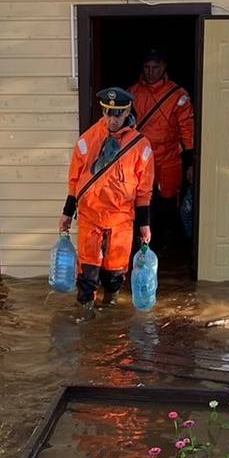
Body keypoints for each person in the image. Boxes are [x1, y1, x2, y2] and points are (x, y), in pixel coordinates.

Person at [60, 86, 154, 306]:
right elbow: (75, 180)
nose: (112, 120)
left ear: (127, 111)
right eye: (107, 113)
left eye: (118, 114)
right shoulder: (86, 140)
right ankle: (86, 319)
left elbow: (144, 189)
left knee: (114, 275)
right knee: (87, 275)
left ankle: (110, 321)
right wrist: (67, 213)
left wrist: (144, 224)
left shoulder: (141, 146)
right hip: (90, 216)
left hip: (120, 219)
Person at [129, 49, 194, 251]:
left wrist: (191, 163)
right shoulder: (132, 93)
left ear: (164, 67)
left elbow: (187, 129)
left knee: (168, 203)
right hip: (140, 159)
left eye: (155, 67)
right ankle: (144, 243)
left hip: (169, 158)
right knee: (141, 200)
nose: (150, 72)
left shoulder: (178, 95)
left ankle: (169, 245)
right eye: (147, 68)